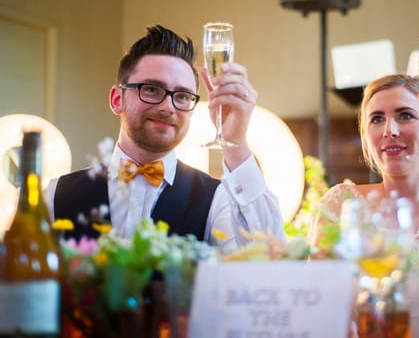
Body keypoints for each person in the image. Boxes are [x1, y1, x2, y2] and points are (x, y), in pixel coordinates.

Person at [45, 25, 284, 248]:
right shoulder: (56, 194)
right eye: (151, 89)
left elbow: (267, 262)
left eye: (182, 96)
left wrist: (236, 143)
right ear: (117, 99)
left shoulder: (216, 198)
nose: (168, 106)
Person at [310, 74, 419, 338]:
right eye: (377, 119)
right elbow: (314, 300)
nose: (389, 130)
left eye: (405, 115)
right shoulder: (340, 203)